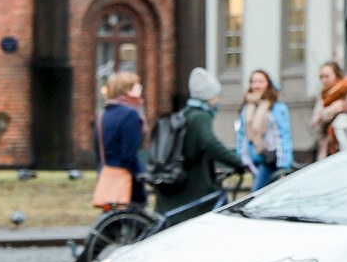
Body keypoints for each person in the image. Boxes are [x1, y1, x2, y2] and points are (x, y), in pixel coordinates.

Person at [159, 68, 245, 224]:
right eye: (217, 96)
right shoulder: (201, 116)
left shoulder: (186, 112)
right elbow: (211, 144)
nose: (218, 100)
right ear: (210, 97)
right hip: (195, 182)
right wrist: (237, 161)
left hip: (184, 178)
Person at [94, 71, 147, 206]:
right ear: (128, 90)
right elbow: (129, 153)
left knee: (113, 221)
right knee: (135, 219)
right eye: (136, 85)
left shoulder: (103, 115)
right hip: (127, 181)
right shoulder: (130, 114)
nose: (140, 88)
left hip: (107, 178)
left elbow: (99, 150)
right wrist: (141, 175)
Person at [237, 69, 294, 189]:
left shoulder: (277, 107)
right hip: (253, 160)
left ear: (268, 83)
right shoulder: (247, 108)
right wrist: (242, 157)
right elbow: (242, 135)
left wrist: (284, 162)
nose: (256, 85)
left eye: (260, 82)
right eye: (253, 82)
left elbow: (284, 135)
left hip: (271, 159)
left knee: (256, 194)